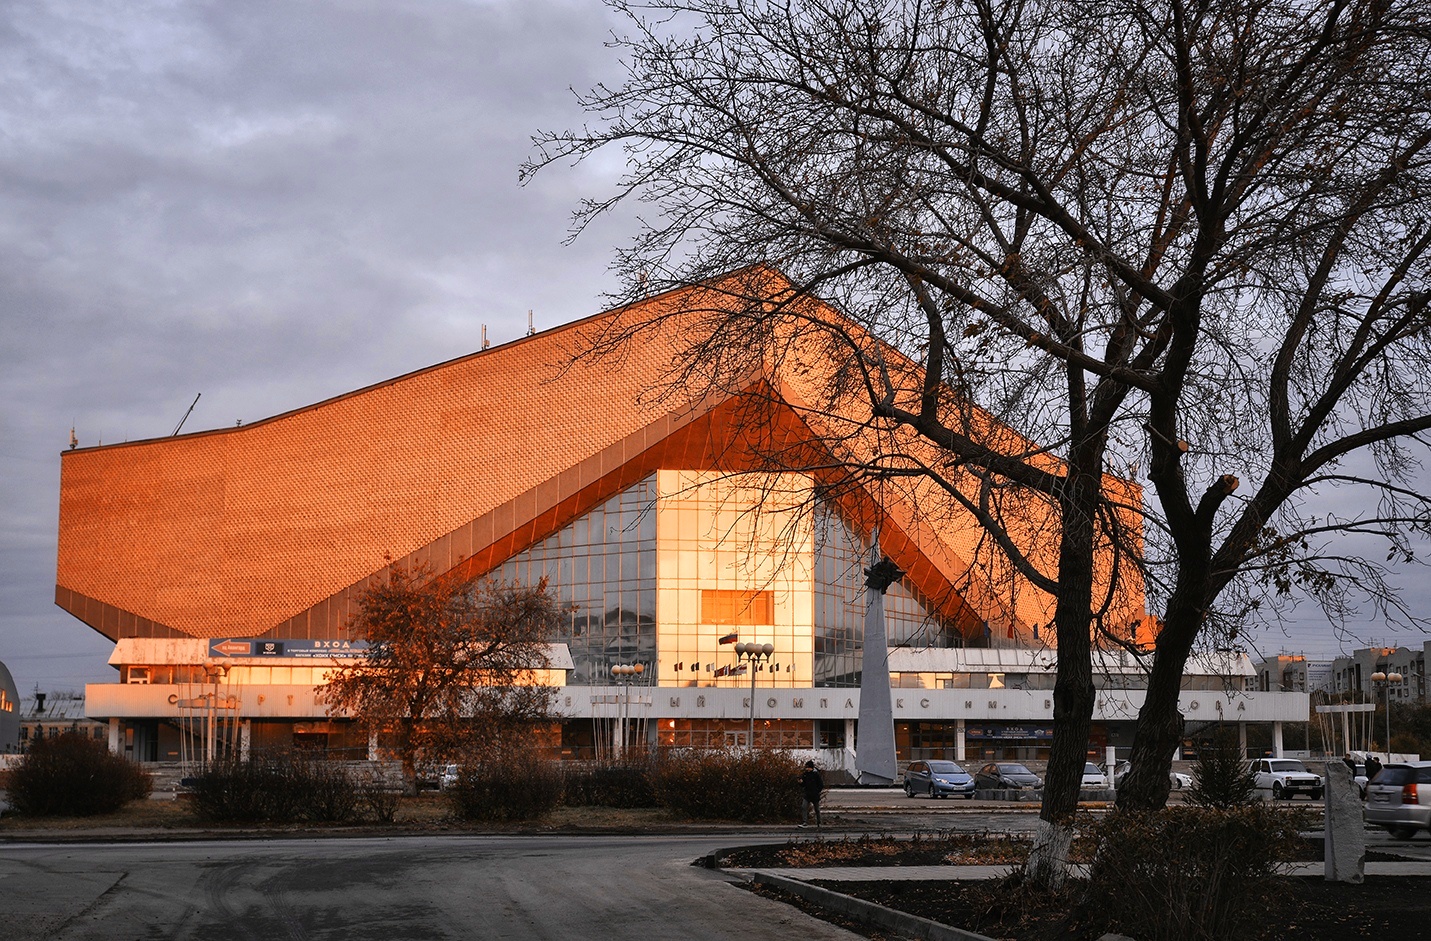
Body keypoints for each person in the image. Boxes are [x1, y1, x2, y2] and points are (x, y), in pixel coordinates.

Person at [799, 759, 824, 829]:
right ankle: (805, 822)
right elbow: (804, 784)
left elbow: (821, 785)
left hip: (814, 794)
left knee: (817, 809)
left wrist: (817, 791)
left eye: (807, 767)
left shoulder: (816, 775)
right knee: (804, 807)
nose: (806, 769)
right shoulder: (805, 774)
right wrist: (801, 783)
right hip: (807, 794)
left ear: (811, 767)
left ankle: (819, 822)